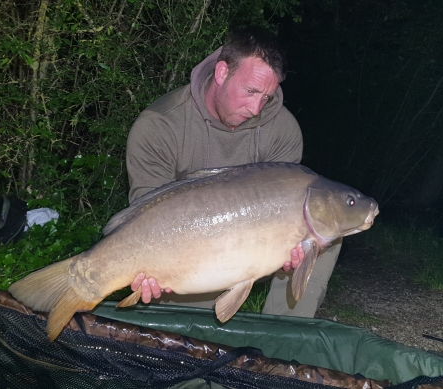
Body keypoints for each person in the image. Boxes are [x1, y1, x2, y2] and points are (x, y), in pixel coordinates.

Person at [124, 25, 342, 318]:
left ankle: (282, 345)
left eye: (266, 96)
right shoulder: (160, 125)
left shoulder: (283, 130)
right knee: (189, 336)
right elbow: (144, 212)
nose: (256, 108)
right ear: (222, 72)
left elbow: (289, 208)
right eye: (250, 91)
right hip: (187, 254)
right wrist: (148, 268)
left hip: (257, 250)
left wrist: (298, 250)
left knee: (327, 226)